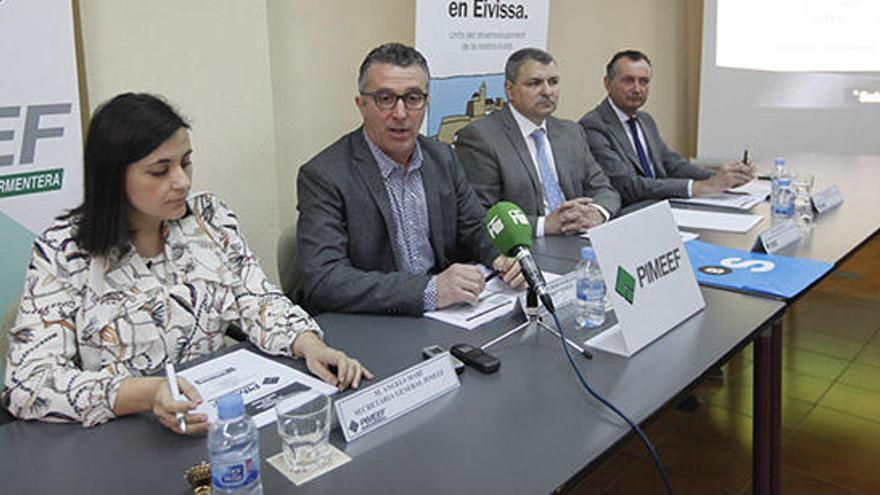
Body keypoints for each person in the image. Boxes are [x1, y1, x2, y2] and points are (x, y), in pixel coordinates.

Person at [2, 93, 371, 434]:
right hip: (121, 436)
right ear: (114, 176)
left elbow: (256, 300)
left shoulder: (209, 218)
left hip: (214, 424)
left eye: (186, 162)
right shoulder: (64, 250)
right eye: (160, 171)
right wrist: (148, 393)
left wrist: (309, 345)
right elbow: (29, 384)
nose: (181, 181)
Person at [295, 43, 524, 316]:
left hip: (447, 317)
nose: (401, 113)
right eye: (385, 98)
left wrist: (502, 258)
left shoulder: (443, 158)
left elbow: (474, 228)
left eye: (413, 98)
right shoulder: (324, 176)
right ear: (362, 105)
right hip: (373, 322)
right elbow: (324, 280)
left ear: (426, 103)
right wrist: (429, 290)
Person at [456, 48, 620, 237]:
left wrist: (596, 213)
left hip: (579, 239)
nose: (547, 91)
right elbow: (481, 216)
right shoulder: (481, 138)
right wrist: (544, 225)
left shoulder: (571, 132)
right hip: (527, 247)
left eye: (553, 82)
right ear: (510, 90)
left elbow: (605, 189)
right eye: (534, 84)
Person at [580, 50, 754, 209]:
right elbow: (627, 185)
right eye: (628, 80)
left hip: (664, 205)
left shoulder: (645, 120)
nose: (637, 89)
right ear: (607, 84)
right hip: (631, 212)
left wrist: (724, 178)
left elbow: (673, 164)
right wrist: (700, 187)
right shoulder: (593, 126)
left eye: (644, 81)